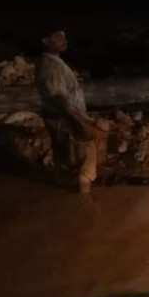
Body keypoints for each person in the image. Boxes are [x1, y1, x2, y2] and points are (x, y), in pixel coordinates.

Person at [35, 30, 104, 193]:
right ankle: (83, 200)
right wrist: (82, 121)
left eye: (64, 37)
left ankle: (73, 194)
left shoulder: (53, 62)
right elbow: (59, 99)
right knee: (80, 162)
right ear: (45, 40)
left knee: (70, 161)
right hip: (66, 119)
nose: (64, 40)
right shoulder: (50, 65)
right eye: (58, 37)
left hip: (66, 117)